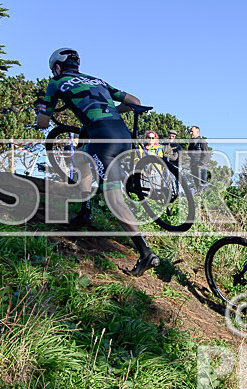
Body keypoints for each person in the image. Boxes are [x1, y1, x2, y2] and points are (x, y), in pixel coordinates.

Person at [36, 47, 159, 276]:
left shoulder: (58, 82)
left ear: (57, 67)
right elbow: (134, 100)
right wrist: (110, 111)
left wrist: (40, 114)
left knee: (114, 198)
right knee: (81, 156)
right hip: (122, 135)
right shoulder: (97, 80)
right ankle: (85, 210)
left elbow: (43, 123)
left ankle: (145, 252)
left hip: (105, 140)